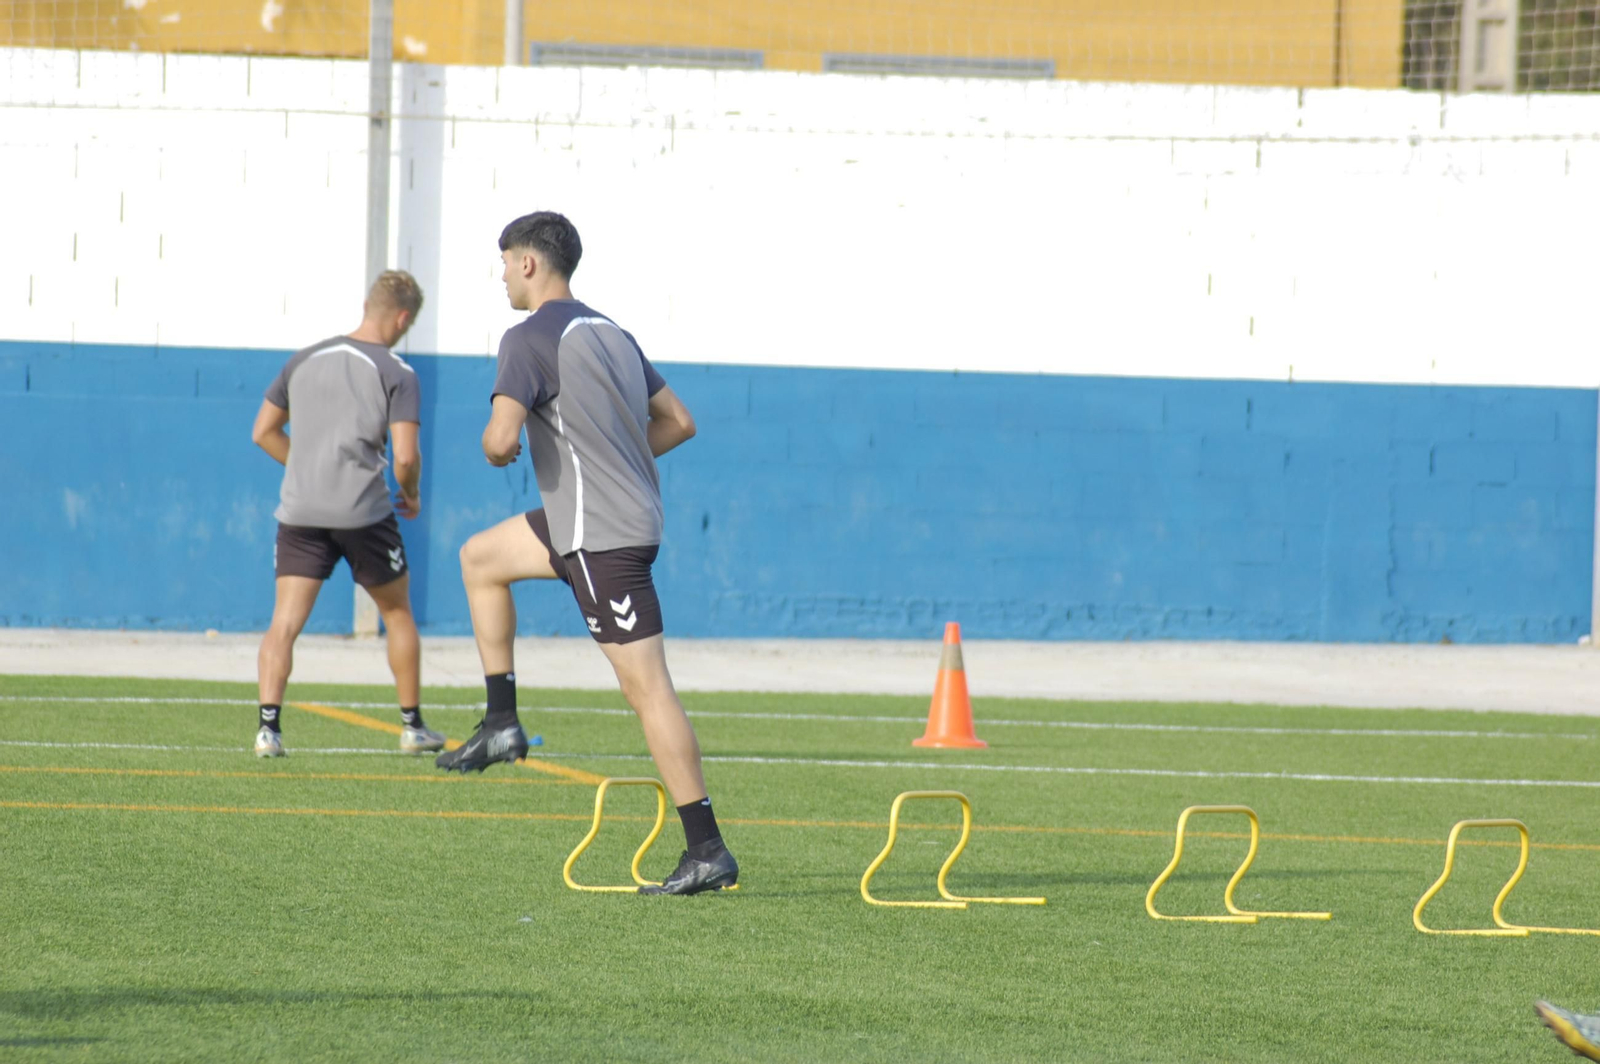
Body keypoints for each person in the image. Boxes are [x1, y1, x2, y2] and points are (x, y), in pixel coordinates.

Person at [437, 210, 737, 896]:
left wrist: (496, 441)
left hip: (601, 536)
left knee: (646, 688)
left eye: (506, 262)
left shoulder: (525, 337)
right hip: (588, 520)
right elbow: (679, 422)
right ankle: (502, 723)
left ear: (530, 264)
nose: (503, 275)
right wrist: (614, 460)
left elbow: (499, 440)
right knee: (480, 559)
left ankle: (706, 847)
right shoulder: (613, 330)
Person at [249, 270, 445, 759]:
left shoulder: (303, 360)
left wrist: (310, 466)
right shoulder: (398, 372)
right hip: (364, 512)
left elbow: (264, 432)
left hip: (301, 510)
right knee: (397, 613)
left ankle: (268, 731)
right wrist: (412, 492)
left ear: (366, 304)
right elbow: (404, 457)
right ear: (403, 318)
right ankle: (411, 726)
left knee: (284, 624)